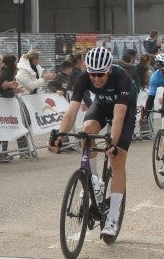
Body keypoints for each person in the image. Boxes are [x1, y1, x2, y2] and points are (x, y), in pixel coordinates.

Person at [48, 46, 136, 241]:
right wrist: (60, 136)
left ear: (109, 70)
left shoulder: (122, 79)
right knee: (87, 130)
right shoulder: (83, 78)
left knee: (118, 157)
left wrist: (112, 143)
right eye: (92, 74)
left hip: (124, 110)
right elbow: (71, 112)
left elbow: (119, 117)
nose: (96, 79)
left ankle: (113, 216)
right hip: (102, 105)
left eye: (100, 74)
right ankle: (94, 179)